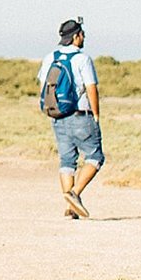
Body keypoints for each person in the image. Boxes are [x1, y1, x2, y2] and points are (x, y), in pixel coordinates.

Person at [40, 17, 102, 218]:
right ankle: (74, 194)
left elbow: (43, 85)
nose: (84, 37)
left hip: (58, 117)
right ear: (76, 36)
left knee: (67, 161)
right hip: (80, 115)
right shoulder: (82, 59)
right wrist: (96, 114)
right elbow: (91, 87)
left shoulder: (50, 57)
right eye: (82, 34)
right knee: (95, 157)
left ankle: (70, 208)